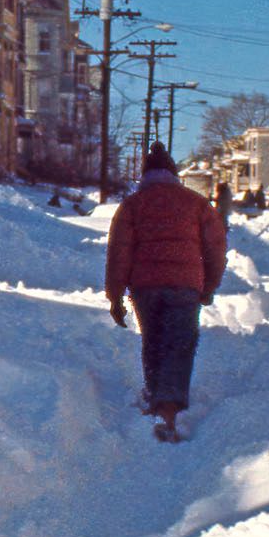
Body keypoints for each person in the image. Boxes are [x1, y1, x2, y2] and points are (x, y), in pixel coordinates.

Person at [106, 142, 227, 442]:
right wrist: (209, 285)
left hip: (145, 287)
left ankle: (156, 400)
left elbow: (119, 252)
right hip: (186, 286)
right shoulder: (196, 204)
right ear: (174, 174)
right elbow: (215, 249)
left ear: (145, 175)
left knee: (154, 341)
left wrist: (115, 296)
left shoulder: (132, 206)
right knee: (179, 344)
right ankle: (170, 408)